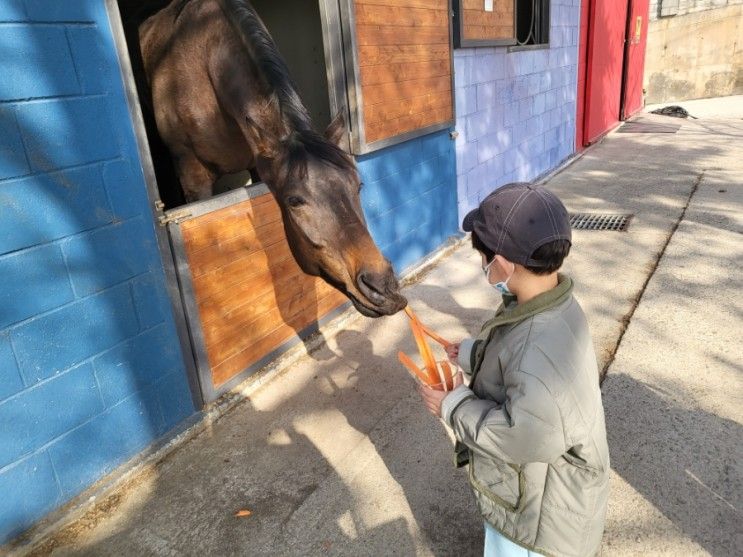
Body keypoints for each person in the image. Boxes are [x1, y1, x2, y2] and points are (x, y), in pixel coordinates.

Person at [417, 183, 610, 557]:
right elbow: (516, 362)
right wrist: (472, 354)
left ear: (502, 263)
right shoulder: (551, 306)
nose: (484, 266)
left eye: (484, 258)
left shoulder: (537, 347)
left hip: (540, 521)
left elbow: (521, 436)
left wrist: (452, 405)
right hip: (544, 490)